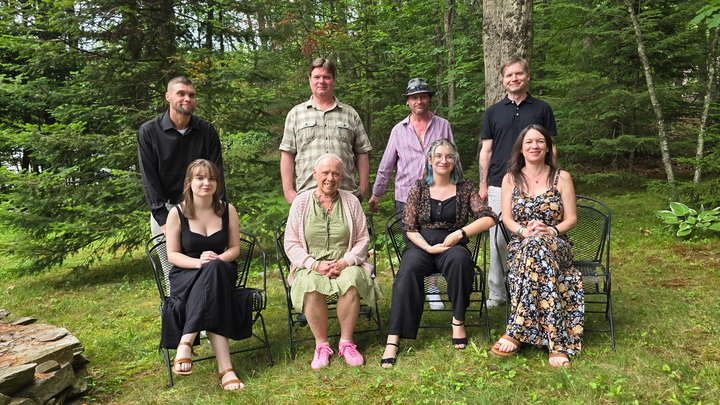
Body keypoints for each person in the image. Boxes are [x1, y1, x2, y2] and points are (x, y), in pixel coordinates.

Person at [381, 140, 497, 368]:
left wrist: (459, 234)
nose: (444, 160)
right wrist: (426, 247)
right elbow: (409, 227)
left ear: (455, 161)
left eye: (449, 156)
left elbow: (489, 217)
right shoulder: (419, 188)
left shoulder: (465, 188)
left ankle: (458, 321)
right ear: (430, 160)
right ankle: (393, 339)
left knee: (461, 261)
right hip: (421, 246)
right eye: (439, 156)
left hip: (452, 246)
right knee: (407, 270)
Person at [489, 125, 583, 368]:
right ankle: (556, 342)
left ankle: (516, 330)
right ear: (521, 148)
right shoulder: (510, 179)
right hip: (522, 245)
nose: (534, 146)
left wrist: (551, 230)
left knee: (538, 244)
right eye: (529, 142)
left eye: (540, 141)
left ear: (548, 147)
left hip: (557, 245)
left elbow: (571, 219)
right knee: (533, 245)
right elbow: (507, 218)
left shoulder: (562, 178)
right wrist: (524, 231)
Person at [284, 153, 382, 370]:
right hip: (310, 264)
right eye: (325, 173)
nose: (330, 178)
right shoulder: (300, 202)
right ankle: (321, 345)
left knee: (352, 280)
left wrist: (346, 262)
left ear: (342, 175)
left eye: (335, 174)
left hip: (346, 262)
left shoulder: (351, 201)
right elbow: (290, 242)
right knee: (310, 284)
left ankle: (346, 343)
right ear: (315, 174)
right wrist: (313, 264)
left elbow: (363, 239)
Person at [369, 78, 457, 310]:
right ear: (408, 102)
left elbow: (452, 158)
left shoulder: (443, 125)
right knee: (412, 243)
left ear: (429, 99)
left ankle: (433, 289)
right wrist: (377, 193)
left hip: (438, 195)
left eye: (423, 96)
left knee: (435, 239)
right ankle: (414, 287)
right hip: (405, 196)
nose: (419, 101)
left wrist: (458, 189)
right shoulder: (398, 130)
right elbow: (387, 164)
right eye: (414, 97)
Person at [162, 159, 250, 390]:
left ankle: (185, 342)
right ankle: (226, 371)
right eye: (200, 178)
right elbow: (172, 255)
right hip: (187, 273)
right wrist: (199, 263)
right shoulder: (177, 213)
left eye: (212, 178)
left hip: (222, 268)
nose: (206, 183)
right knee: (213, 290)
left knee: (214, 270)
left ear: (217, 183)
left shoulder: (227, 210)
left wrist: (217, 259)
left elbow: (235, 249)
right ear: (189, 183)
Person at [479, 56, 558, 309]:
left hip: (537, 184)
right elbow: (486, 151)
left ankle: (529, 289)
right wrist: (482, 185)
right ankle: (497, 294)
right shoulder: (492, 112)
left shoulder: (542, 109)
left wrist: (553, 178)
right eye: (509, 75)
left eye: (518, 74)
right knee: (498, 241)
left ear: (527, 76)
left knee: (535, 234)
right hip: (497, 184)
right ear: (503, 80)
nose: (514, 78)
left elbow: (551, 147)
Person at [138, 76, 225, 276]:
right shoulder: (149, 132)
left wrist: (219, 211)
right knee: (173, 275)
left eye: (191, 95)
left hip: (204, 210)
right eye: (181, 94)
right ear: (168, 97)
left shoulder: (207, 131)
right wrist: (163, 220)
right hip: (166, 211)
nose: (187, 99)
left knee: (207, 269)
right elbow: (149, 180)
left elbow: (216, 174)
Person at [280, 58, 372, 205]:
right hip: (307, 197)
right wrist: (288, 191)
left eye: (326, 77)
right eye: (317, 77)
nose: (321, 81)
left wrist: (362, 188)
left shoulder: (350, 114)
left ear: (334, 80)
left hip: (346, 196)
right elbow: (287, 154)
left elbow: (362, 152)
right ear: (310, 80)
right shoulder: (296, 114)